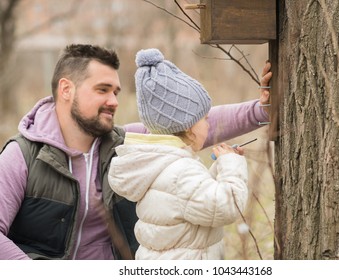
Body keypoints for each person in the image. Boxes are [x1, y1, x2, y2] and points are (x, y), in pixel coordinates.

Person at [0, 44, 272, 260]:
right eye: (102, 90)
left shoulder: (125, 146)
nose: (114, 101)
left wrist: (261, 111)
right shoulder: (22, 156)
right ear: (66, 89)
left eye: (116, 91)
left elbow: (192, 126)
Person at [108, 48, 249, 260]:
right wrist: (232, 165)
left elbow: (190, 200)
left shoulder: (162, 164)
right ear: (189, 126)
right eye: (205, 119)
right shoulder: (181, 171)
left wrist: (220, 167)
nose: (209, 125)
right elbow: (226, 206)